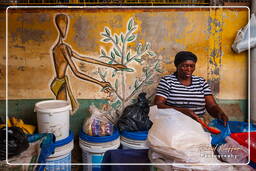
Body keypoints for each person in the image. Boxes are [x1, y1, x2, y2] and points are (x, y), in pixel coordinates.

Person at [51, 14, 126, 113]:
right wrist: (100, 83)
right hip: (60, 83)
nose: (63, 28)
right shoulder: (62, 48)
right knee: (60, 113)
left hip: (61, 82)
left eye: (65, 25)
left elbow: (83, 58)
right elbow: (76, 72)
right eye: (62, 25)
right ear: (58, 26)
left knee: (62, 112)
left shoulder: (65, 47)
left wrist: (111, 65)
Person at [154, 51, 228, 126]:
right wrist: (181, 111)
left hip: (198, 124)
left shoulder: (201, 82)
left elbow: (211, 106)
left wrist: (219, 112)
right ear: (177, 66)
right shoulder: (167, 81)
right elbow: (158, 104)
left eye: (192, 66)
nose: (189, 69)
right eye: (185, 66)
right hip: (173, 124)